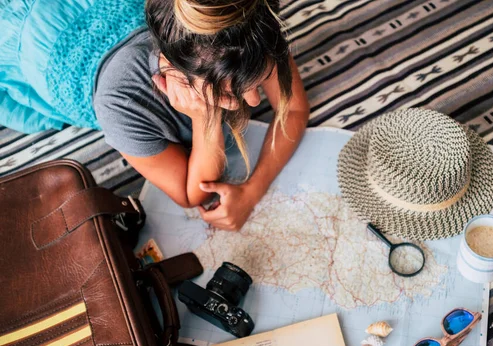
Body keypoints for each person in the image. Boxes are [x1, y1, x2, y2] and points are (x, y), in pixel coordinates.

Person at [0, 0, 309, 231]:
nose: (254, 100)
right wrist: (206, 119)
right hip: (38, 40)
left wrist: (254, 190)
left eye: (257, 83)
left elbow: (293, 107)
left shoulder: (244, 33)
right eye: (236, 90)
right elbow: (193, 195)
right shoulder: (119, 106)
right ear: (176, 73)